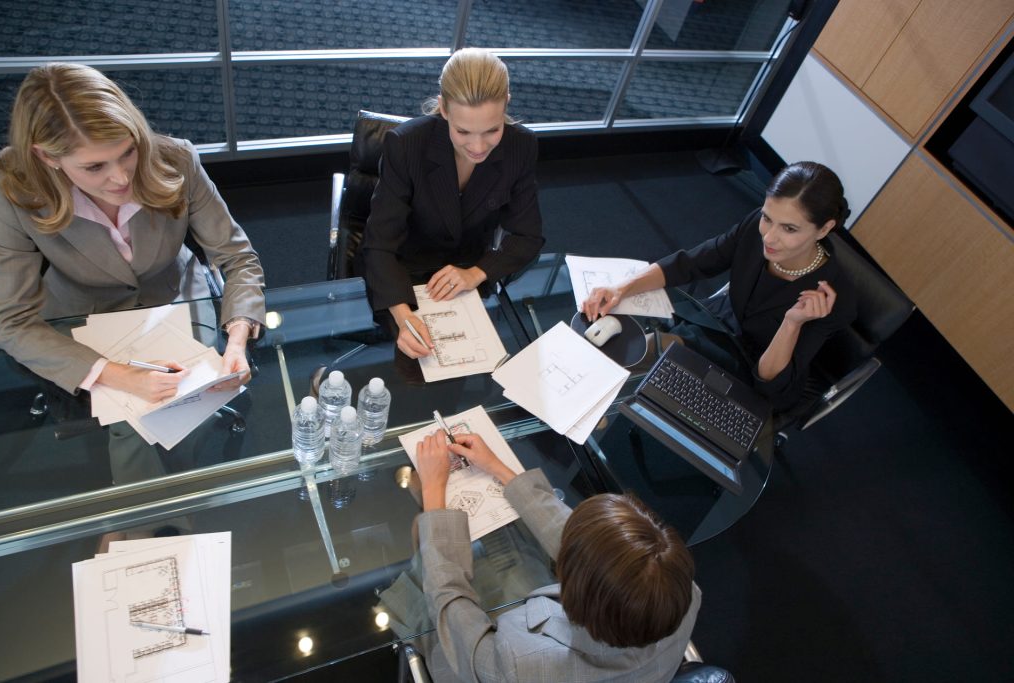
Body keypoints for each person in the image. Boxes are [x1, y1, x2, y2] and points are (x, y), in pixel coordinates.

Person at [0, 63, 265, 406]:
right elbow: (12, 322)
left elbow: (238, 258)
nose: (121, 178)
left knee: (193, 413)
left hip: (174, 297)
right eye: (95, 167)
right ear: (47, 157)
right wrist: (118, 375)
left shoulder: (176, 158)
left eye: (128, 152)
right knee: (127, 439)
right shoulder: (9, 188)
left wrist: (237, 339)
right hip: (82, 318)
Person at [413, 430, 701, 682]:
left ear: (573, 594)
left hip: (483, 666)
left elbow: (452, 606)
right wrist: (499, 469)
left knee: (420, 551)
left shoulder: (524, 666)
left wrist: (433, 491)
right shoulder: (683, 591)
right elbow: (582, 541)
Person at [582, 161, 856, 411]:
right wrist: (622, 288)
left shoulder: (833, 300)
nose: (769, 237)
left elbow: (769, 379)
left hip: (755, 374)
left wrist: (793, 323)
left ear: (823, 229)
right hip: (719, 324)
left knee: (655, 380)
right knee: (637, 356)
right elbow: (691, 263)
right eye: (767, 218)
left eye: (790, 229)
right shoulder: (754, 229)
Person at [360, 48, 544, 359]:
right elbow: (379, 244)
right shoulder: (406, 146)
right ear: (444, 109)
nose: (477, 147)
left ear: (506, 104)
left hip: (468, 276)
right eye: (463, 131)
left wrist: (476, 272)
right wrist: (404, 318)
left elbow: (528, 236)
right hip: (404, 275)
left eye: (492, 130)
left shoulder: (521, 147)